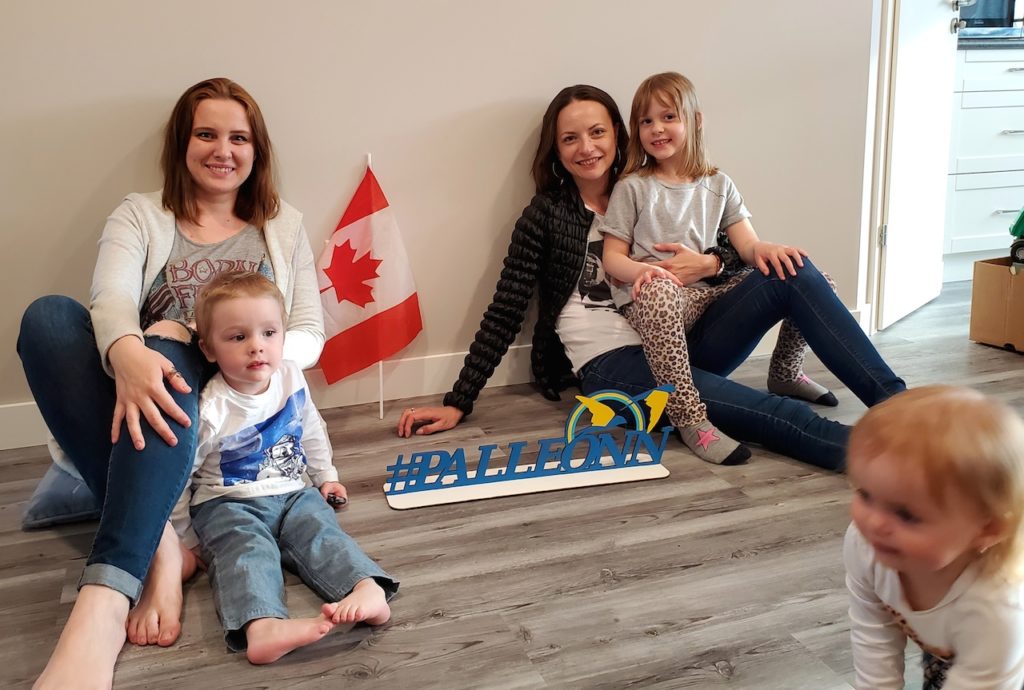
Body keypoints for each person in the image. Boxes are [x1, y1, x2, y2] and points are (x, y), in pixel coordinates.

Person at [17, 78, 324, 689]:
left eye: (239, 138)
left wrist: (205, 344)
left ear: (257, 150)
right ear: (182, 143)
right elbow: (110, 301)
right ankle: (161, 544)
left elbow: (310, 333)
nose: (223, 150)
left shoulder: (282, 225)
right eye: (206, 134)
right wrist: (128, 350)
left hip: (223, 398)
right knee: (47, 319)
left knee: (169, 347)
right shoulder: (140, 213)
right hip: (137, 388)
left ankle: (104, 600)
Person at [396, 84, 871, 472]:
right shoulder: (546, 216)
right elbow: (506, 308)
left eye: (597, 132)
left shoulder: (655, 188)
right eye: (570, 138)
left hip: (686, 339)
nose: (587, 148)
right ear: (556, 150)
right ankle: (880, 454)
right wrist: (459, 401)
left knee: (792, 271)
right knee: (760, 411)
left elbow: (736, 252)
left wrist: (711, 264)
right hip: (613, 363)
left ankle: (890, 403)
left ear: (618, 135)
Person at [600, 71, 840, 465]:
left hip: (707, 296)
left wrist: (768, 249)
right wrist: (643, 273)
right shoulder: (633, 187)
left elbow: (747, 247)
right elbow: (612, 258)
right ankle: (689, 417)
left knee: (809, 277)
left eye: (668, 117)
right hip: (660, 301)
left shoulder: (719, 184)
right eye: (646, 121)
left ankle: (785, 372)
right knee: (660, 293)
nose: (656, 128)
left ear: (695, 121)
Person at [167, 271, 397, 665]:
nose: (257, 346)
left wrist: (326, 476)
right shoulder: (211, 408)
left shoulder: (290, 375)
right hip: (227, 503)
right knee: (246, 551)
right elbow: (179, 476)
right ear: (209, 349)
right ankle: (262, 626)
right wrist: (184, 538)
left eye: (269, 333)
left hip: (293, 491)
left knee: (321, 531)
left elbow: (311, 428)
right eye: (238, 337)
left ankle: (365, 587)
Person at [844, 386, 1024, 688]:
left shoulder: (997, 610)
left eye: (906, 515)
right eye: (865, 494)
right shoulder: (866, 545)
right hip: (956, 648)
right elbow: (872, 631)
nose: (874, 523)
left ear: (987, 529)